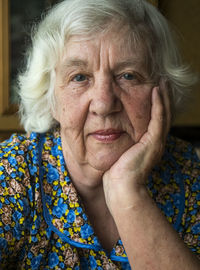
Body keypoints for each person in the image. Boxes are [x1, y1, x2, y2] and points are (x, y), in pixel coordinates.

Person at [0, 0, 200, 269]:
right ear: (51, 96)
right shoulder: (13, 172)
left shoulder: (188, 174)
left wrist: (126, 190)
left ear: (163, 92)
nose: (104, 103)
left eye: (128, 75)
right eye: (80, 77)